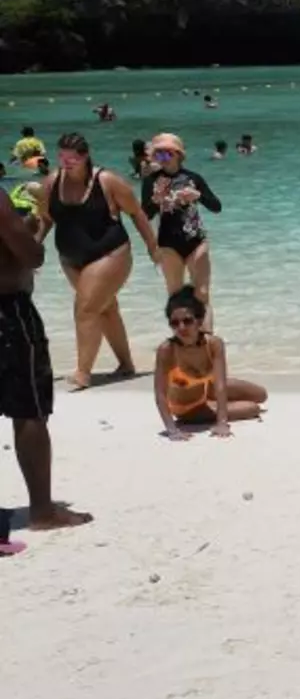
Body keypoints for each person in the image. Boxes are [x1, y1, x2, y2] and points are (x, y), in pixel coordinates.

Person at [35, 132, 160, 390]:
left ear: (85, 156)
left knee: (85, 308)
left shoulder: (107, 181)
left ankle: (83, 372)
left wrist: (153, 247)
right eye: (62, 157)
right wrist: (31, 249)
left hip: (110, 253)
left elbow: (136, 214)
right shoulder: (50, 183)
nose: (66, 162)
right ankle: (126, 365)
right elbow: (46, 220)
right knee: (105, 308)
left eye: (73, 158)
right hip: (71, 258)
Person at [0, 183, 90, 531]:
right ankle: (42, 511)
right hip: (7, 313)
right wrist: (38, 225)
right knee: (29, 409)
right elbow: (30, 255)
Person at [152, 290, 267, 438]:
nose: (181, 327)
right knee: (253, 408)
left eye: (187, 321)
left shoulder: (213, 344)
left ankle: (212, 403)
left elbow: (220, 386)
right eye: (175, 323)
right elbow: (160, 394)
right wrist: (172, 430)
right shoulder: (167, 350)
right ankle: (210, 406)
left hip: (206, 390)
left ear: (199, 321)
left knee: (261, 394)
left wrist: (222, 423)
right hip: (187, 408)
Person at [141, 133, 222, 323]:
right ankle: (181, 342)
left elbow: (217, 207)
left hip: (196, 241)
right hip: (168, 243)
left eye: (166, 154)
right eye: (158, 154)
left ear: (178, 154)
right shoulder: (151, 181)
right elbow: (145, 216)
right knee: (175, 296)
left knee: (202, 294)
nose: (162, 159)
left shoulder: (193, 178)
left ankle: (206, 338)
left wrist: (198, 195)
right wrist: (156, 199)